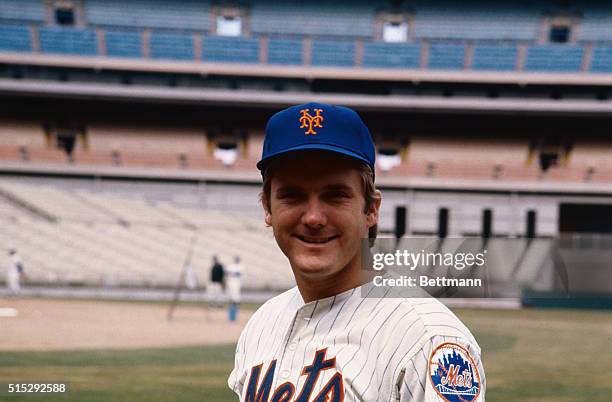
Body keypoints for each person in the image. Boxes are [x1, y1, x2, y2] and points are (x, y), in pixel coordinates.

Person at [228, 102, 485, 401]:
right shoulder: (261, 324)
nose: (313, 217)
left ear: (371, 210)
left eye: (335, 195)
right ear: (267, 208)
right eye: (292, 195)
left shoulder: (429, 338)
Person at [226, 255, 243, 322]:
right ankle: (231, 316)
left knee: (236, 299)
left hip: (236, 285)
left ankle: (234, 315)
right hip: (231, 285)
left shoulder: (240, 267)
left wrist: (232, 274)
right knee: (232, 299)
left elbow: (238, 274)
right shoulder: (231, 266)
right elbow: (227, 273)